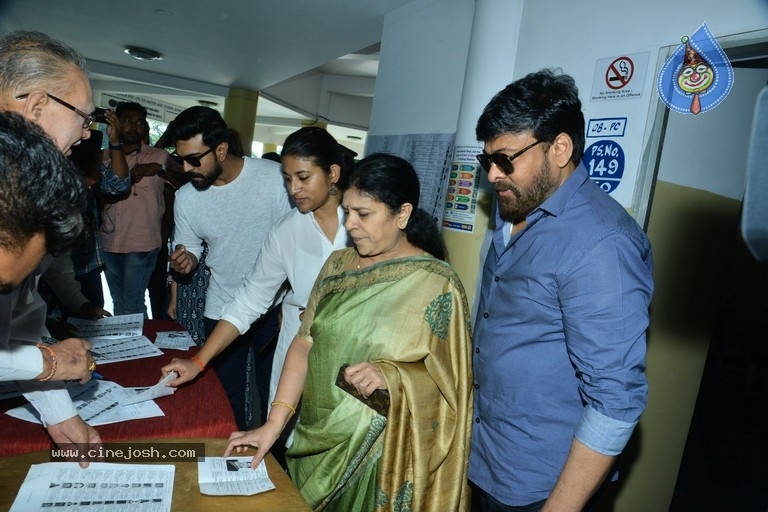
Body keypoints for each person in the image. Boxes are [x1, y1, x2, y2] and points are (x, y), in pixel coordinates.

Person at [224, 153, 473, 512]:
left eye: (364, 214)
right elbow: (303, 343)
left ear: (402, 214)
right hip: (317, 436)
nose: (351, 225)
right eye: (348, 212)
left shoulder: (435, 284)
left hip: (381, 456)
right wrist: (273, 425)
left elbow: (453, 388)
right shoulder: (337, 265)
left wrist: (393, 377)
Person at [468, 69, 654, 511]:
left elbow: (615, 401)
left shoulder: (602, 244)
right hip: (486, 460)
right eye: (486, 161)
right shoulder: (516, 208)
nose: (493, 175)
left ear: (561, 148)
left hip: (543, 488)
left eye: (506, 159)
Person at [162, 126, 355, 451]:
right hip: (298, 351)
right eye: (288, 178)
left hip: (351, 355)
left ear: (333, 173)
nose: (294, 189)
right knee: (291, 446)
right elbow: (249, 301)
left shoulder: (362, 224)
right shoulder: (287, 231)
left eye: (303, 177)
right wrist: (198, 362)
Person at [0, 30, 103, 465]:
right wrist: (45, 362)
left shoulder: (31, 182)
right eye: (85, 117)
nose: (86, 134)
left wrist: (60, 415)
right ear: (38, 105)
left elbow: (14, 313)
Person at [163, 106, 292, 430]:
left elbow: (296, 244)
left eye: (194, 159)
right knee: (225, 395)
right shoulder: (186, 198)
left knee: (274, 392)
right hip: (222, 307)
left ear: (221, 149)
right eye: (180, 159)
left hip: (274, 308)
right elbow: (190, 250)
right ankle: (231, 462)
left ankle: (271, 460)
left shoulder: (274, 180)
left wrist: (291, 300)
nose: (185, 167)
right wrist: (185, 259)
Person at [100, 101, 173, 316]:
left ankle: (137, 347)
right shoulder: (104, 157)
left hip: (142, 242)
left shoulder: (158, 157)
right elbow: (100, 196)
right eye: (128, 121)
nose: (134, 127)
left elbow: (181, 182)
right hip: (110, 240)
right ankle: (125, 345)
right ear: (116, 124)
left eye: (140, 122)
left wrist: (162, 169)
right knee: (118, 302)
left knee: (133, 304)